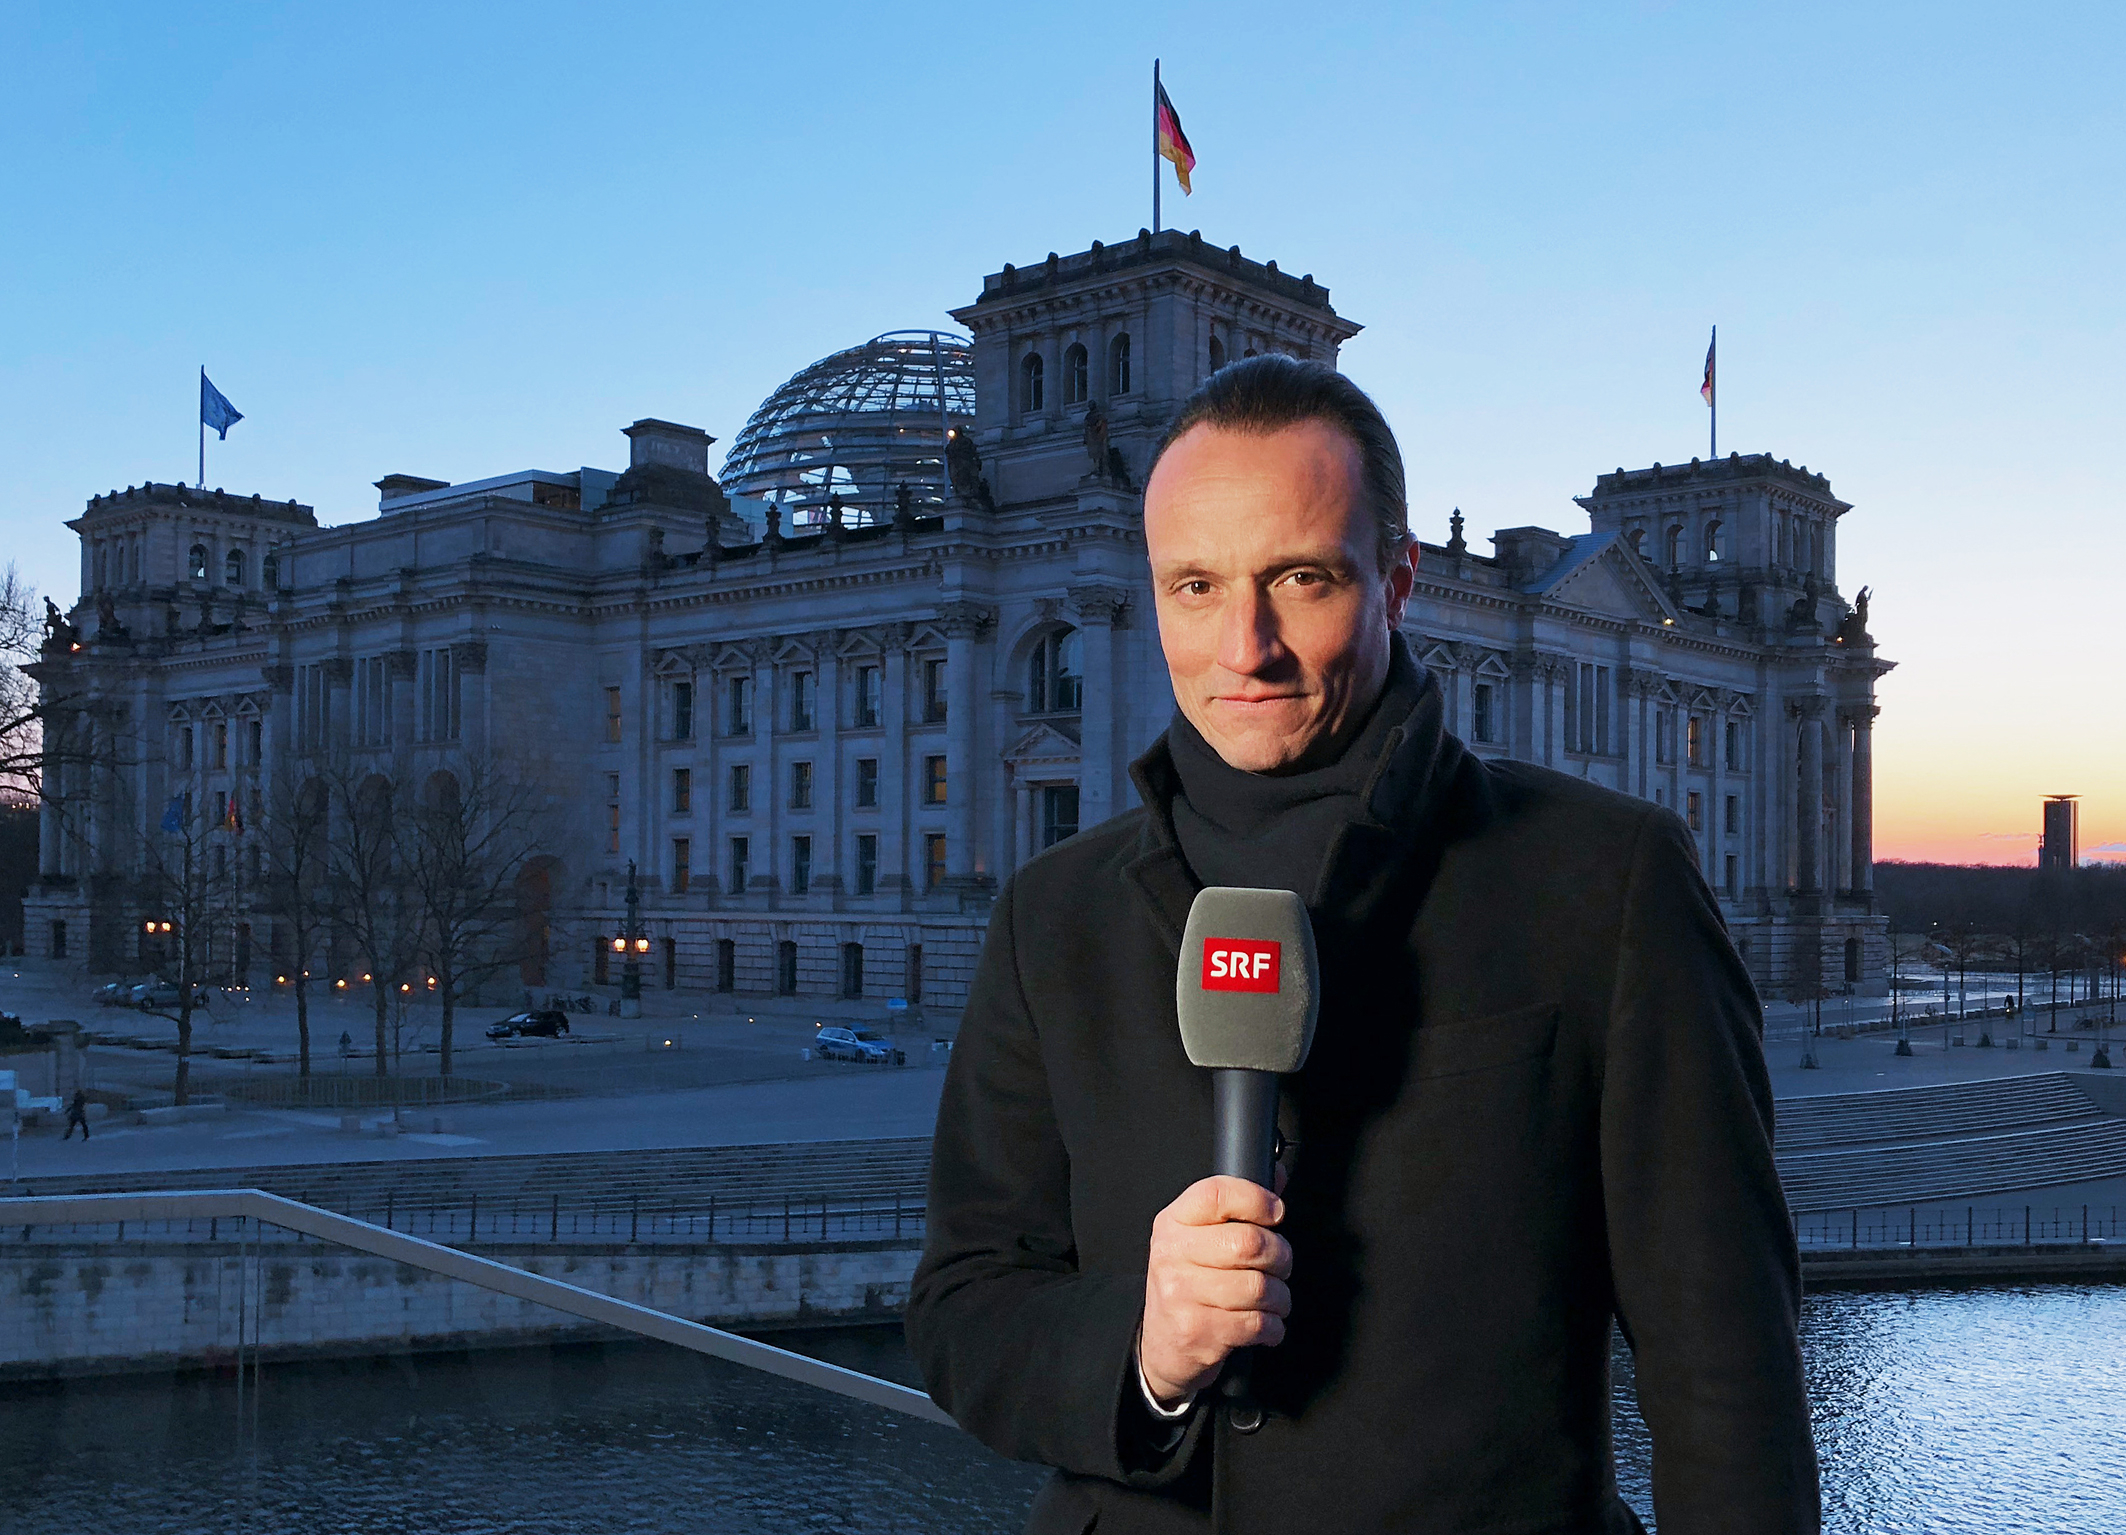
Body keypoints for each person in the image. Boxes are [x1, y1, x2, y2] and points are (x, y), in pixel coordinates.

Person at [906, 356, 1817, 1534]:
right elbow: (963, 1309)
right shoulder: (1052, 909)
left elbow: (1721, 1361)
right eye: (1192, 585)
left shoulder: (1604, 878)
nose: (1245, 646)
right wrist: (1139, 1344)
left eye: (1299, 577)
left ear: (1395, 578)